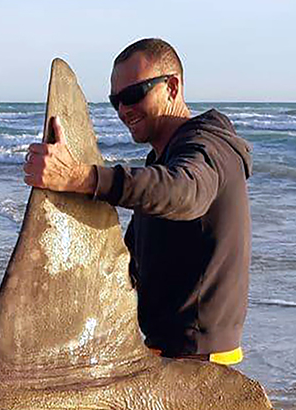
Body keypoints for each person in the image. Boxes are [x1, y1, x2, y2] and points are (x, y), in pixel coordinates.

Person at [24, 38, 253, 363]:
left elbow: (185, 192)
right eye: (115, 100)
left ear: (172, 87)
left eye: (133, 95)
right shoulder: (161, 162)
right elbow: (132, 263)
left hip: (200, 362)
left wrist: (80, 177)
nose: (123, 110)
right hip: (165, 351)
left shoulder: (207, 147)